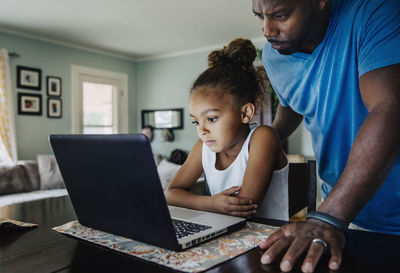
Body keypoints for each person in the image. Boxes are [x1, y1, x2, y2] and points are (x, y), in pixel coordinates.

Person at [251, 0, 400, 272]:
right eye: (259, 16)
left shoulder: (374, 11)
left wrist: (329, 216)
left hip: (371, 216)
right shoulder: (274, 57)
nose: (267, 30)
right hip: (350, 220)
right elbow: (292, 103)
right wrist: (262, 143)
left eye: (280, 15)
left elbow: (390, 108)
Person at [165, 38, 289, 220]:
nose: (202, 130)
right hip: (222, 237)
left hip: (266, 240)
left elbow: (244, 206)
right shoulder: (203, 146)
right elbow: (170, 193)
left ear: (245, 113)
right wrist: (210, 203)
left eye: (212, 118)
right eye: (196, 122)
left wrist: (207, 204)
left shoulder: (263, 138)